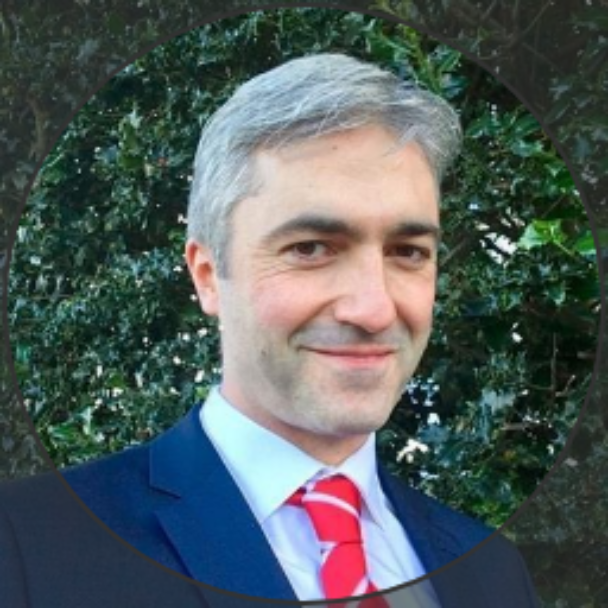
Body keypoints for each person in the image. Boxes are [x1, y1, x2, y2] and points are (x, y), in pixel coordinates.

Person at [0, 54, 540, 607]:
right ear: (208, 276)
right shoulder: (27, 548)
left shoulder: (491, 571)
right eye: (310, 249)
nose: (374, 309)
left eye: (407, 252)